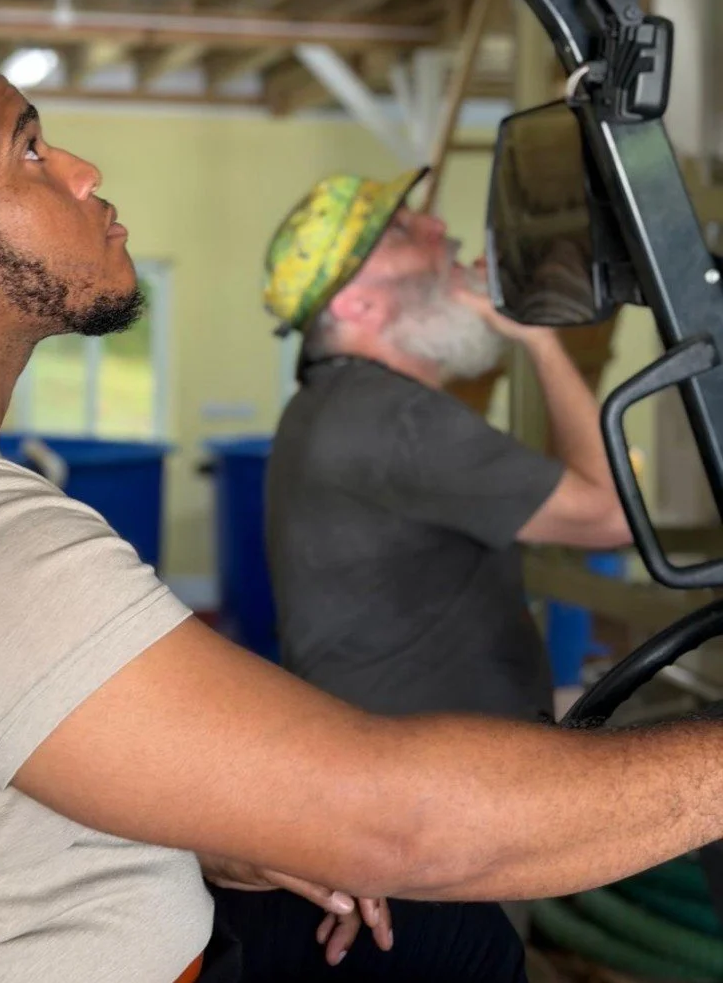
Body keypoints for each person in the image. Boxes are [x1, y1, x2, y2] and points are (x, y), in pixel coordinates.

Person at [0, 49, 723, 983]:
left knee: (441, 935)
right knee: (444, 921)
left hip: (119, 916)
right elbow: (404, 826)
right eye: (33, 150)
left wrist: (206, 832)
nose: (85, 170)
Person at [263, 171, 631, 725]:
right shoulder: (395, 419)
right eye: (402, 233)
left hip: (398, 756)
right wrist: (537, 337)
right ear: (357, 307)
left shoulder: (331, 402)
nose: (438, 226)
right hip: (435, 778)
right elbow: (609, 517)